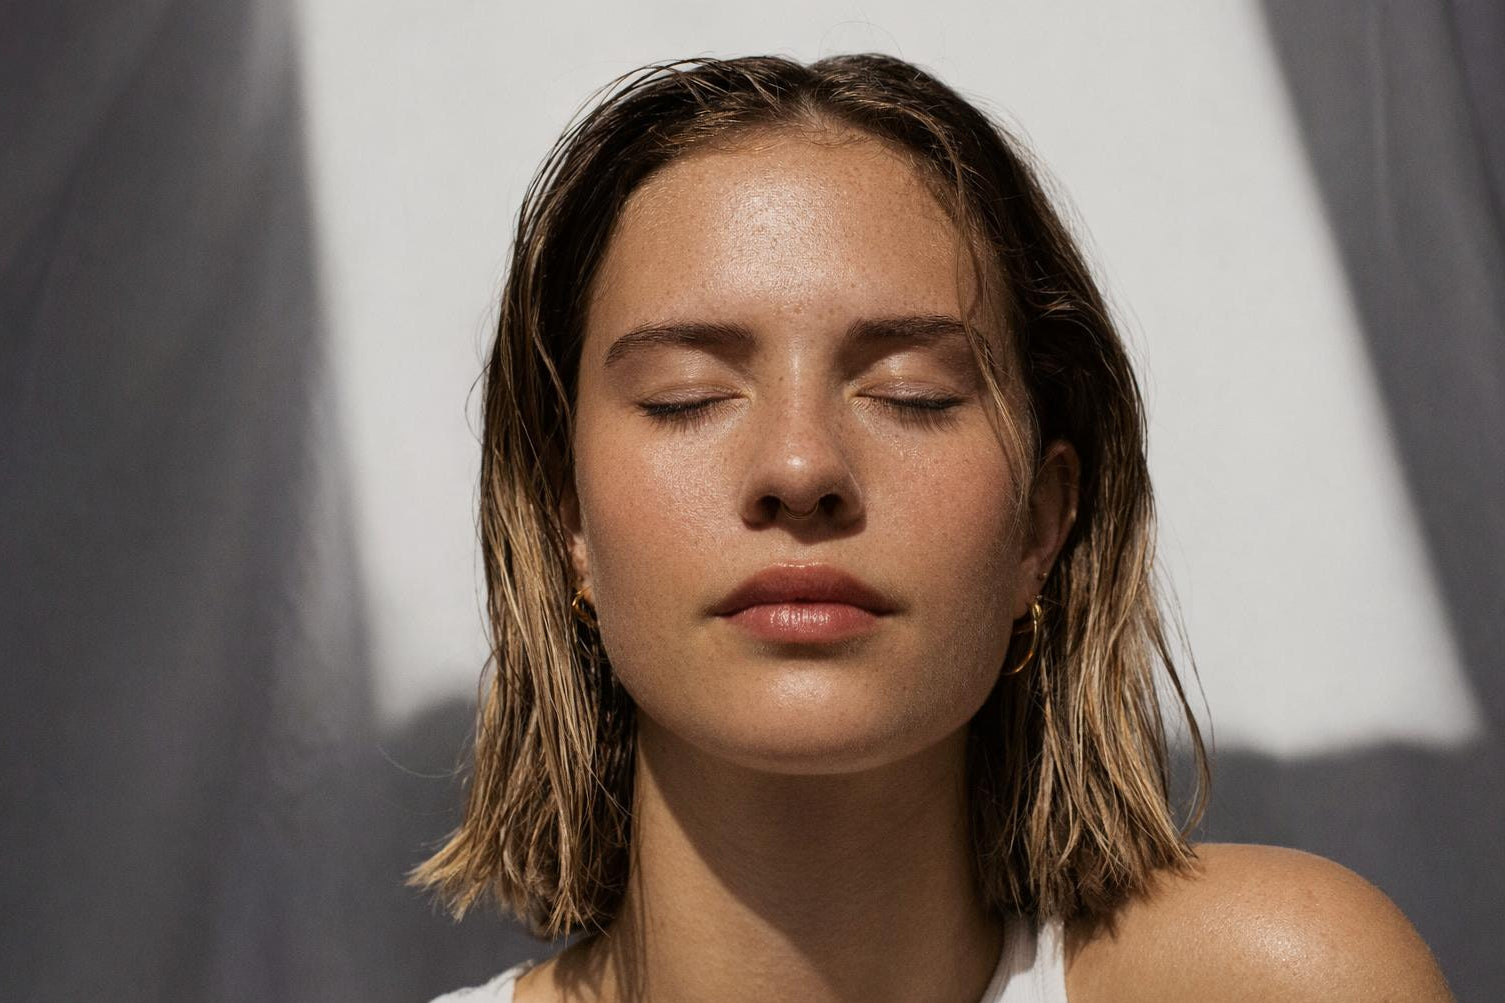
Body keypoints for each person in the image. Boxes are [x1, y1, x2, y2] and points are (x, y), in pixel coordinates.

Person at [413, 54, 1453, 1002]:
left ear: (1040, 521)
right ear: (565, 518)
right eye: (686, 396)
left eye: (911, 394)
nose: (800, 469)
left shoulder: (1275, 981)